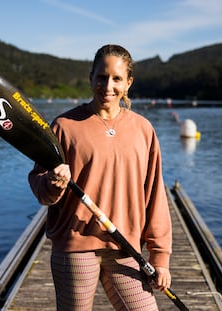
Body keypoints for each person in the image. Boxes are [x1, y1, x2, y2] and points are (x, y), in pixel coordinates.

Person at [28, 44, 172, 311]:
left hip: (125, 248)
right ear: (91, 78)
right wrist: (53, 183)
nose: (108, 85)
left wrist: (160, 257)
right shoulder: (65, 126)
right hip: (75, 248)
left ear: (128, 83)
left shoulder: (143, 130)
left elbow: (155, 195)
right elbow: (39, 184)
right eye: (101, 77)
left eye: (117, 78)